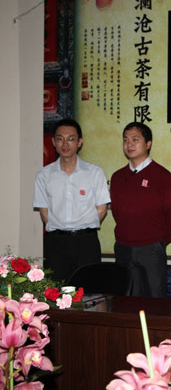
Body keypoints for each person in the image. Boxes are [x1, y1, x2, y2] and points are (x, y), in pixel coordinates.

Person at [33, 118, 111, 283]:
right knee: (56, 290)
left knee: (90, 290)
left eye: (71, 139)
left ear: (79, 142)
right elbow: (44, 212)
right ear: (53, 142)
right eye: (60, 139)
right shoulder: (43, 175)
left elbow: (102, 210)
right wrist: (62, 230)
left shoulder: (94, 172)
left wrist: (81, 227)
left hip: (86, 242)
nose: (65, 144)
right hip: (56, 243)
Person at [110, 122, 171, 297]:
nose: (129, 144)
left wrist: (158, 241)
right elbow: (116, 212)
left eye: (135, 139)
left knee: (154, 299)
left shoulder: (163, 177)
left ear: (148, 144)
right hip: (123, 247)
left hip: (151, 249)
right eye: (126, 140)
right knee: (125, 299)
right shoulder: (117, 177)